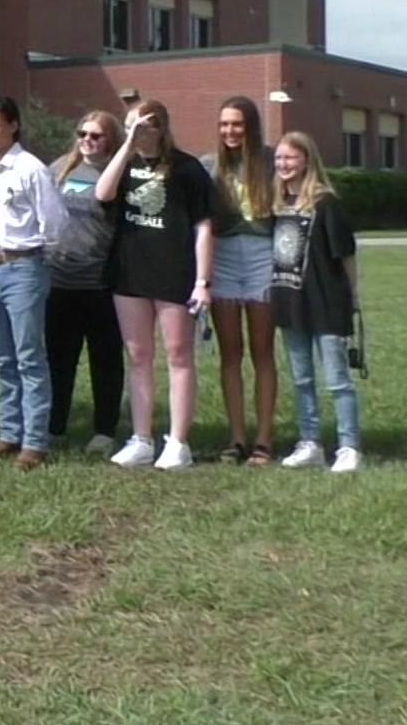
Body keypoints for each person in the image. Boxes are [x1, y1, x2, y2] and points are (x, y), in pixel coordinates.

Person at [96, 100, 216, 471]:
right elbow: (102, 194)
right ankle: (142, 438)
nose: (137, 132)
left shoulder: (187, 169)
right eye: (130, 125)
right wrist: (126, 146)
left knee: (179, 355)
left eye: (143, 126)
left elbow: (204, 227)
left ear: (161, 127)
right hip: (130, 272)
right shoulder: (126, 163)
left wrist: (202, 282)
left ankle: (178, 443)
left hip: (174, 274)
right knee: (138, 356)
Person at [0, 96, 68, 469]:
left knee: (29, 357)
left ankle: (34, 442)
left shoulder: (31, 169)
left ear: (13, 126)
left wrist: (36, 255)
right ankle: (8, 434)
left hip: (23, 268)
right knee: (0, 358)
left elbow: (55, 222)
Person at [270, 132, 363, 473]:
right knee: (301, 378)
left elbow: (347, 254)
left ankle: (349, 446)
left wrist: (354, 297)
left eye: (291, 158)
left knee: (337, 379)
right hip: (289, 301)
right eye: (279, 158)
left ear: (307, 160)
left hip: (326, 303)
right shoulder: (277, 204)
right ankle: (310, 442)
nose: (283, 165)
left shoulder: (326, 203)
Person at [45, 111, 128, 454]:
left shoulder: (118, 173)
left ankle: (104, 431)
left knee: (105, 361)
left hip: (100, 284)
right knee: (58, 360)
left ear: (111, 140)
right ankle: (55, 427)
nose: (88, 141)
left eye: (96, 136)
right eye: (83, 134)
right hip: (59, 281)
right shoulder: (60, 168)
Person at [206, 95, 281, 466]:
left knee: (262, 351)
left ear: (250, 126)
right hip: (222, 258)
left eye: (236, 124)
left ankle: (264, 440)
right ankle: (236, 438)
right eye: (224, 124)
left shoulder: (271, 161)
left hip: (261, 255)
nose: (230, 131)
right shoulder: (212, 166)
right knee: (230, 354)